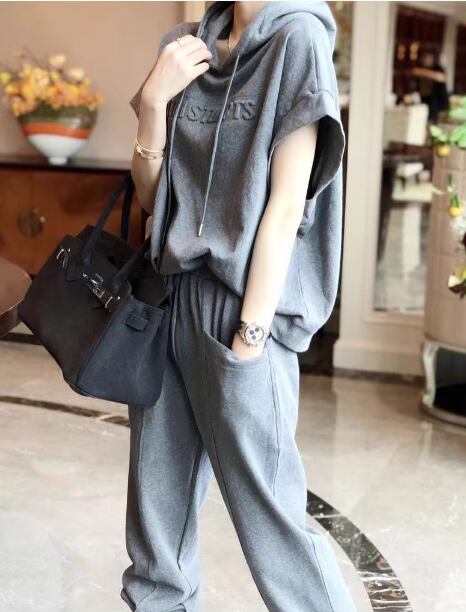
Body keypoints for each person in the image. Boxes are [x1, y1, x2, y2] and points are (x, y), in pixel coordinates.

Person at [122, 2, 354, 611]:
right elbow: (153, 199)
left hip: (239, 309)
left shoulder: (298, 40)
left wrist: (249, 339)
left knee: (272, 517)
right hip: (167, 296)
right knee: (156, 520)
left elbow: (286, 206)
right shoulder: (185, 46)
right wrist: (153, 103)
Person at [411, 50, 450, 122]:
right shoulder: (420, 67)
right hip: (423, 99)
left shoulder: (437, 68)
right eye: (424, 58)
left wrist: (423, 72)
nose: (426, 60)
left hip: (436, 101)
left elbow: (441, 78)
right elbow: (414, 72)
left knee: (434, 120)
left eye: (428, 58)